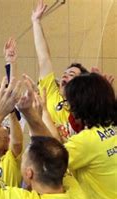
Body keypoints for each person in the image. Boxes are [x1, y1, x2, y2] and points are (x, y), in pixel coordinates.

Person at [32, 0, 89, 141]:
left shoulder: (85, 105)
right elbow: (44, 59)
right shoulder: (51, 94)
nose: (65, 76)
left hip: (75, 158)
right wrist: (36, 23)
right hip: (48, 157)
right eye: (64, 73)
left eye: (71, 75)